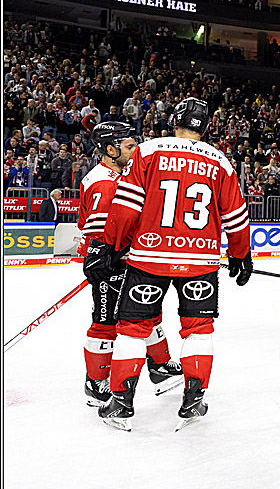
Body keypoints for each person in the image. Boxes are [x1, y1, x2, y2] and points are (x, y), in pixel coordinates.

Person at [85, 97, 253, 431]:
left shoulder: (149, 150)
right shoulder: (221, 160)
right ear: (205, 127)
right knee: (199, 329)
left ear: (174, 120)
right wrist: (240, 254)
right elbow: (236, 216)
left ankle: (120, 402)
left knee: (133, 329)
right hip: (200, 260)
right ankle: (193, 399)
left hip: (149, 257)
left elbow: (127, 205)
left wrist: (108, 244)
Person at [77, 121, 184, 407]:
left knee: (146, 313)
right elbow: (99, 231)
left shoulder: (119, 175)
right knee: (106, 322)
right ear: (110, 150)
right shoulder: (104, 182)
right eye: (128, 146)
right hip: (110, 264)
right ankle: (96, 382)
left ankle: (160, 366)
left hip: (127, 261)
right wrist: (103, 257)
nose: (135, 149)